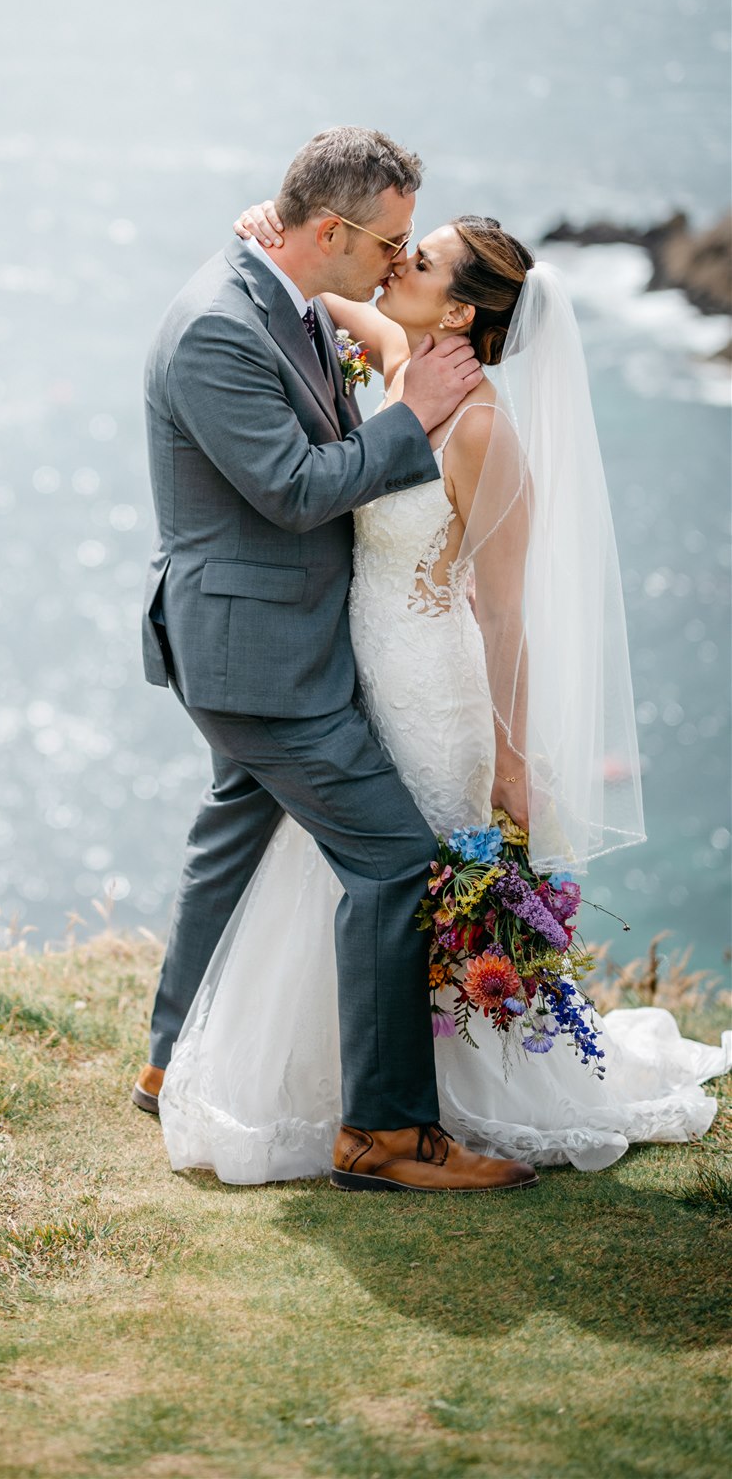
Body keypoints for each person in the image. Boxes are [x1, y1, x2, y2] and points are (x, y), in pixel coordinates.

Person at [151, 197, 730, 1183]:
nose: (396, 263)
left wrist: (514, 757)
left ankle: (430, 1108)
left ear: (460, 314)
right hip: (350, 678)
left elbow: (505, 616)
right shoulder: (410, 376)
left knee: (399, 880)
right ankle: (339, 1095)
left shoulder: (482, 432)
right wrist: (277, 235)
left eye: (417, 258)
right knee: (337, 873)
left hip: (430, 692)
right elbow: (352, 314)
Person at [136, 126, 539, 1192]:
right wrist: (410, 415)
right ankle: (386, 1134)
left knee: (236, 828)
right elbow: (297, 488)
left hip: (309, 645)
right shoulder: (222, 329)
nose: (399, 261)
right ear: (330, 231)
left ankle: (164, 1051)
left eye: (419, 250)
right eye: (392, 241)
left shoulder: (292, 297)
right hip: (260, 656)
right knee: (396, 863)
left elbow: (345, 317)